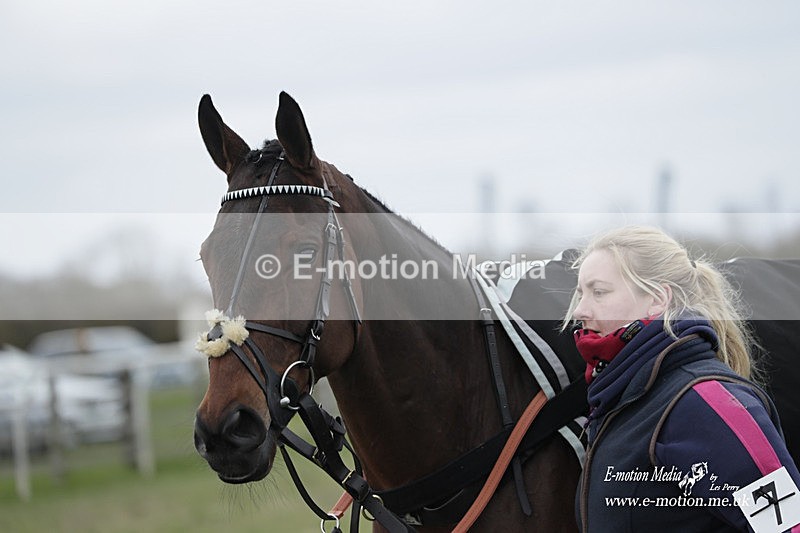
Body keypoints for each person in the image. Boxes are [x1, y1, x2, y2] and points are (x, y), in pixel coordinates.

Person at [563, 225, 800, 532]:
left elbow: (789, 526)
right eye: (581, 293)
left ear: (657, 299)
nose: (580, 310)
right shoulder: (620, 403)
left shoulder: (706, 403)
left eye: (599, 292)